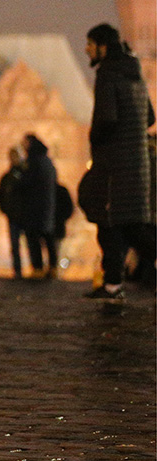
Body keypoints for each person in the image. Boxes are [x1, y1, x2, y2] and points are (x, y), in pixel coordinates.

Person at [80, 23, 156, 300]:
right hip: (137, 164)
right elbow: (149, 117)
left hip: (113, 166)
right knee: (121, 224)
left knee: (123, 225)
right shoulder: (135, 73)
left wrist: (96, 138)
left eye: (90, 44)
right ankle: (112, 284)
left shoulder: (107, 74)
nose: (87, 50)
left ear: (102, 46)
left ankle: (113, 284)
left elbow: (107, 118)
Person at [19, 133, 58, 278]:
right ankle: (52, 267)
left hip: (34, 206)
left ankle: (38, 268)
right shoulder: (47, 161)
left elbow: (27, 182)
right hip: (47, 205)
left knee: (34, 238)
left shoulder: (33, 161)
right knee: (48, 237)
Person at [0, 146, 27, 278]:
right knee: (14, 244)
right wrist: (5, 209)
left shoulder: (24, 173)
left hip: (24, 213)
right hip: (13, 214)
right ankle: (18, 270)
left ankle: (34, 268)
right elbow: (1, 194)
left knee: (29, 242)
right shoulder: (8, 176)